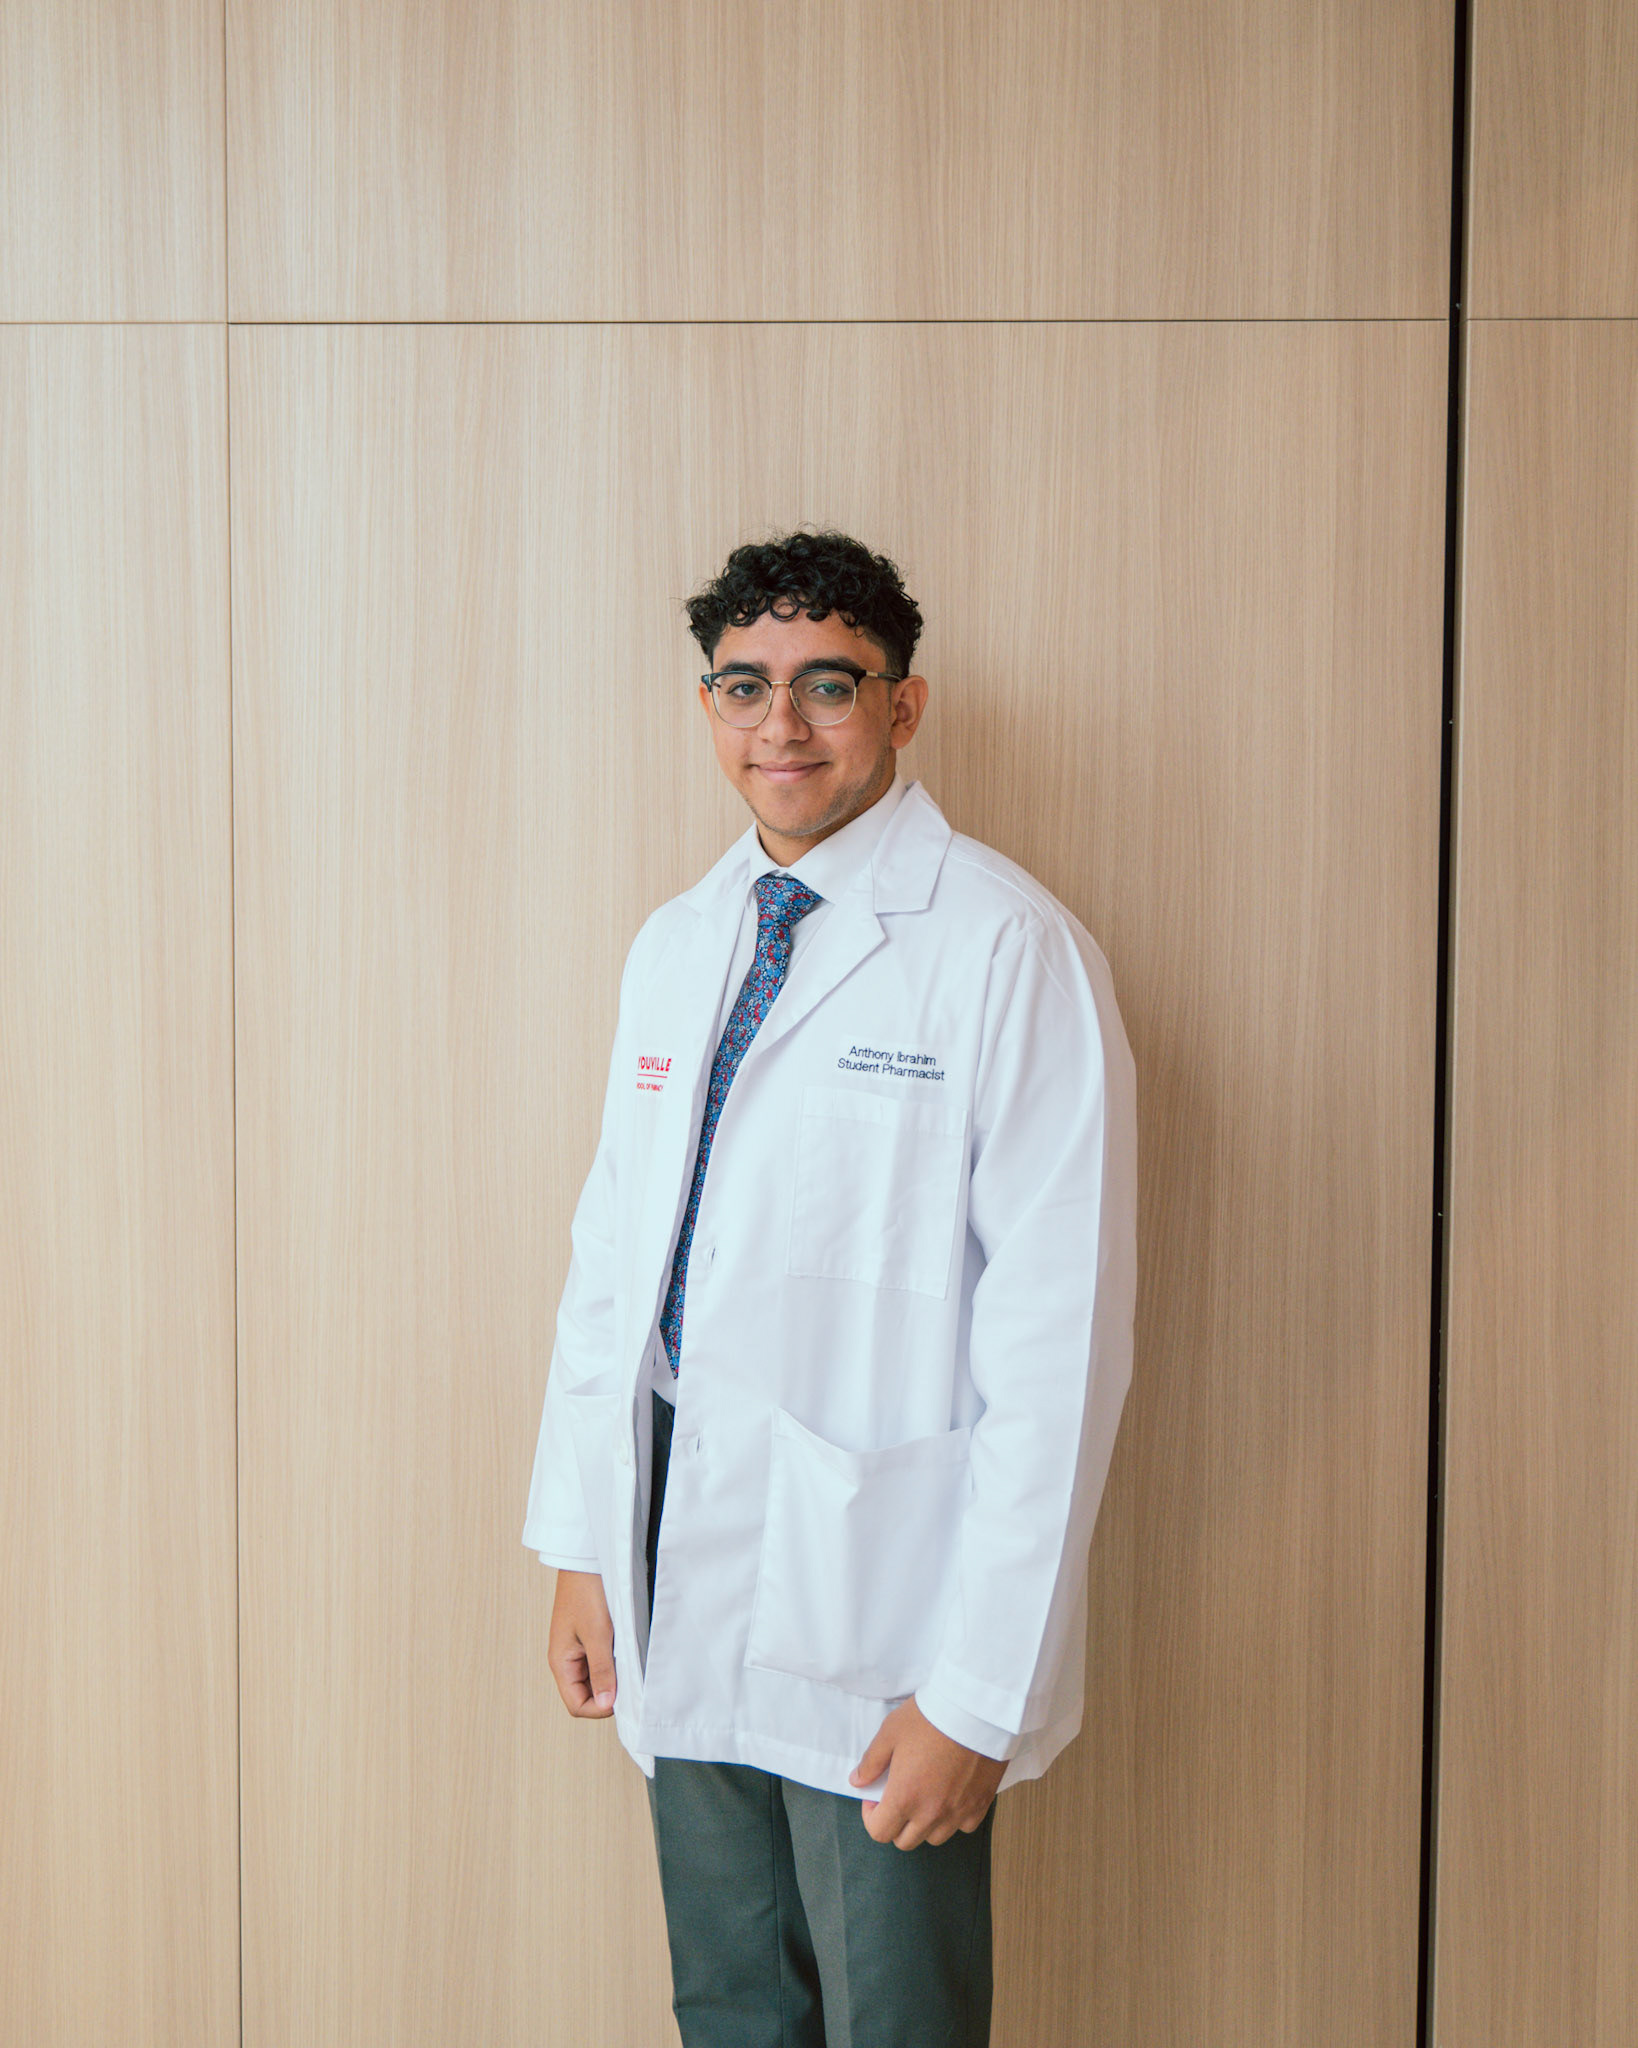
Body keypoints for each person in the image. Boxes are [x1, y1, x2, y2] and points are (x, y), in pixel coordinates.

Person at [522, 529, 1137, 2046]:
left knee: (892, 2018)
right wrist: (582, 1544)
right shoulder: (681, 943)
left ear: (902, 705)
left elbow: (1060, 1358)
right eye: (744, 686)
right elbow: (613, 1262)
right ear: (708, 706)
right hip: (674, 1541)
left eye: (827, 685)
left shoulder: (1007, 951)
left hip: (884, 1609)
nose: (779, 725)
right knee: (729, 2003)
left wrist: (976, 1691)